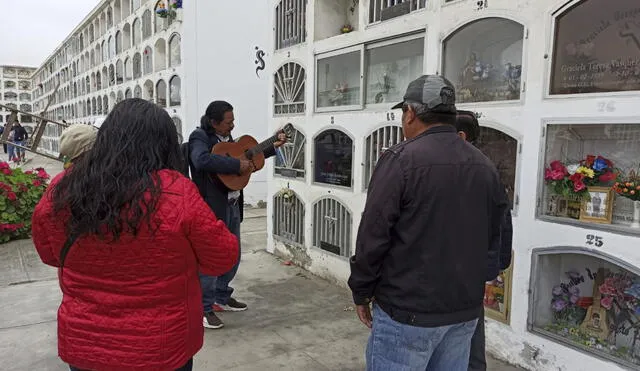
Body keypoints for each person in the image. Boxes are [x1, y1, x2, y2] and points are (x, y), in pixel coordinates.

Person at [31, 98, 240, 371]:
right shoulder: (177, 193)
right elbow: (222, 257)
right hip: (161, 345)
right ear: (164, 144)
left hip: (87, 342)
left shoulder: (63, 188)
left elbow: (50, 253)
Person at [348, 75, 508, 371]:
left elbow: (373, 234)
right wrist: (482, 281)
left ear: (410, 113)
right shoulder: (484, 165)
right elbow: (497, 233)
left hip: (407, 314)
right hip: (463, 314)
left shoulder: (400, 160)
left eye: (402, 114)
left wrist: (361, 289)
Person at [188, 100, 287, 329]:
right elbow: (201, 160)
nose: (232, 126)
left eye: (233, 121)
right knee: (211, 260)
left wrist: (273, 145)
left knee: (233, 255)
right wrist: (235, 166)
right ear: (214, 122)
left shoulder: (228, 141)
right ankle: (204, 308)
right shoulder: (200, 137)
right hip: (212, 208)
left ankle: (221, 296)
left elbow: (247, 156)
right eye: (228, 122)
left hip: (232, 205)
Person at [455, 110, 513, 371]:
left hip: (458, 273)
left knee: (464, 338)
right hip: (472, 274)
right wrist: (495, 267)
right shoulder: (486, 168)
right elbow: (503, 222)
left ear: (461, 136)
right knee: (471, 336)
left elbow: (500, 222)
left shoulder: (469, 172)